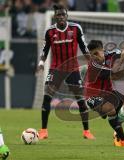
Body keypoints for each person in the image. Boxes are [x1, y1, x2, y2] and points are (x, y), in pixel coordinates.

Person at [37, 4, 95, 140]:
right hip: (55, 68)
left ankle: (86, 131)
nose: (61, 17)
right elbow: (45, 50)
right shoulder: (50, 32)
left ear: (67, 15)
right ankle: (43, 131)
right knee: (47, 96)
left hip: (72, 68)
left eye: (63, 14)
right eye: (59, 15)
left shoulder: (75, 28)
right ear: (55, 17)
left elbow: (84, 47)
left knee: (81, 99)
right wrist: (41, 63)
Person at [84, 40, 124, 147]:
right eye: (92, 54)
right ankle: (123, 139)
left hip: (109, 93)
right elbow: (114, 75)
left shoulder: (111, 54)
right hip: (93, 96)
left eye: (96, 53)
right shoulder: (94, 64)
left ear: (102, 50)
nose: (94, 56)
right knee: (110, 108)